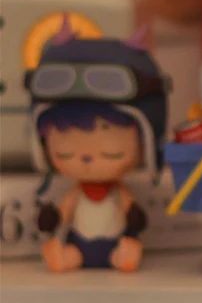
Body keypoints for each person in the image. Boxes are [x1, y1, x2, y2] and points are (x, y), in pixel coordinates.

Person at [28, 17, 168, 272]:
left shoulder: (119, 192)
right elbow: (64, 210)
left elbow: (131, 210)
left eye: (108, 149)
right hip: (79, 244)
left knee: (123, 254)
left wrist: (134, 219)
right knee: (70, 255)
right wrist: (54, 217)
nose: (86, 156)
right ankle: (65, 256)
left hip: (113, 243)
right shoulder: (76, 193)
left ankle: (123, 255)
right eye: (66, 147)